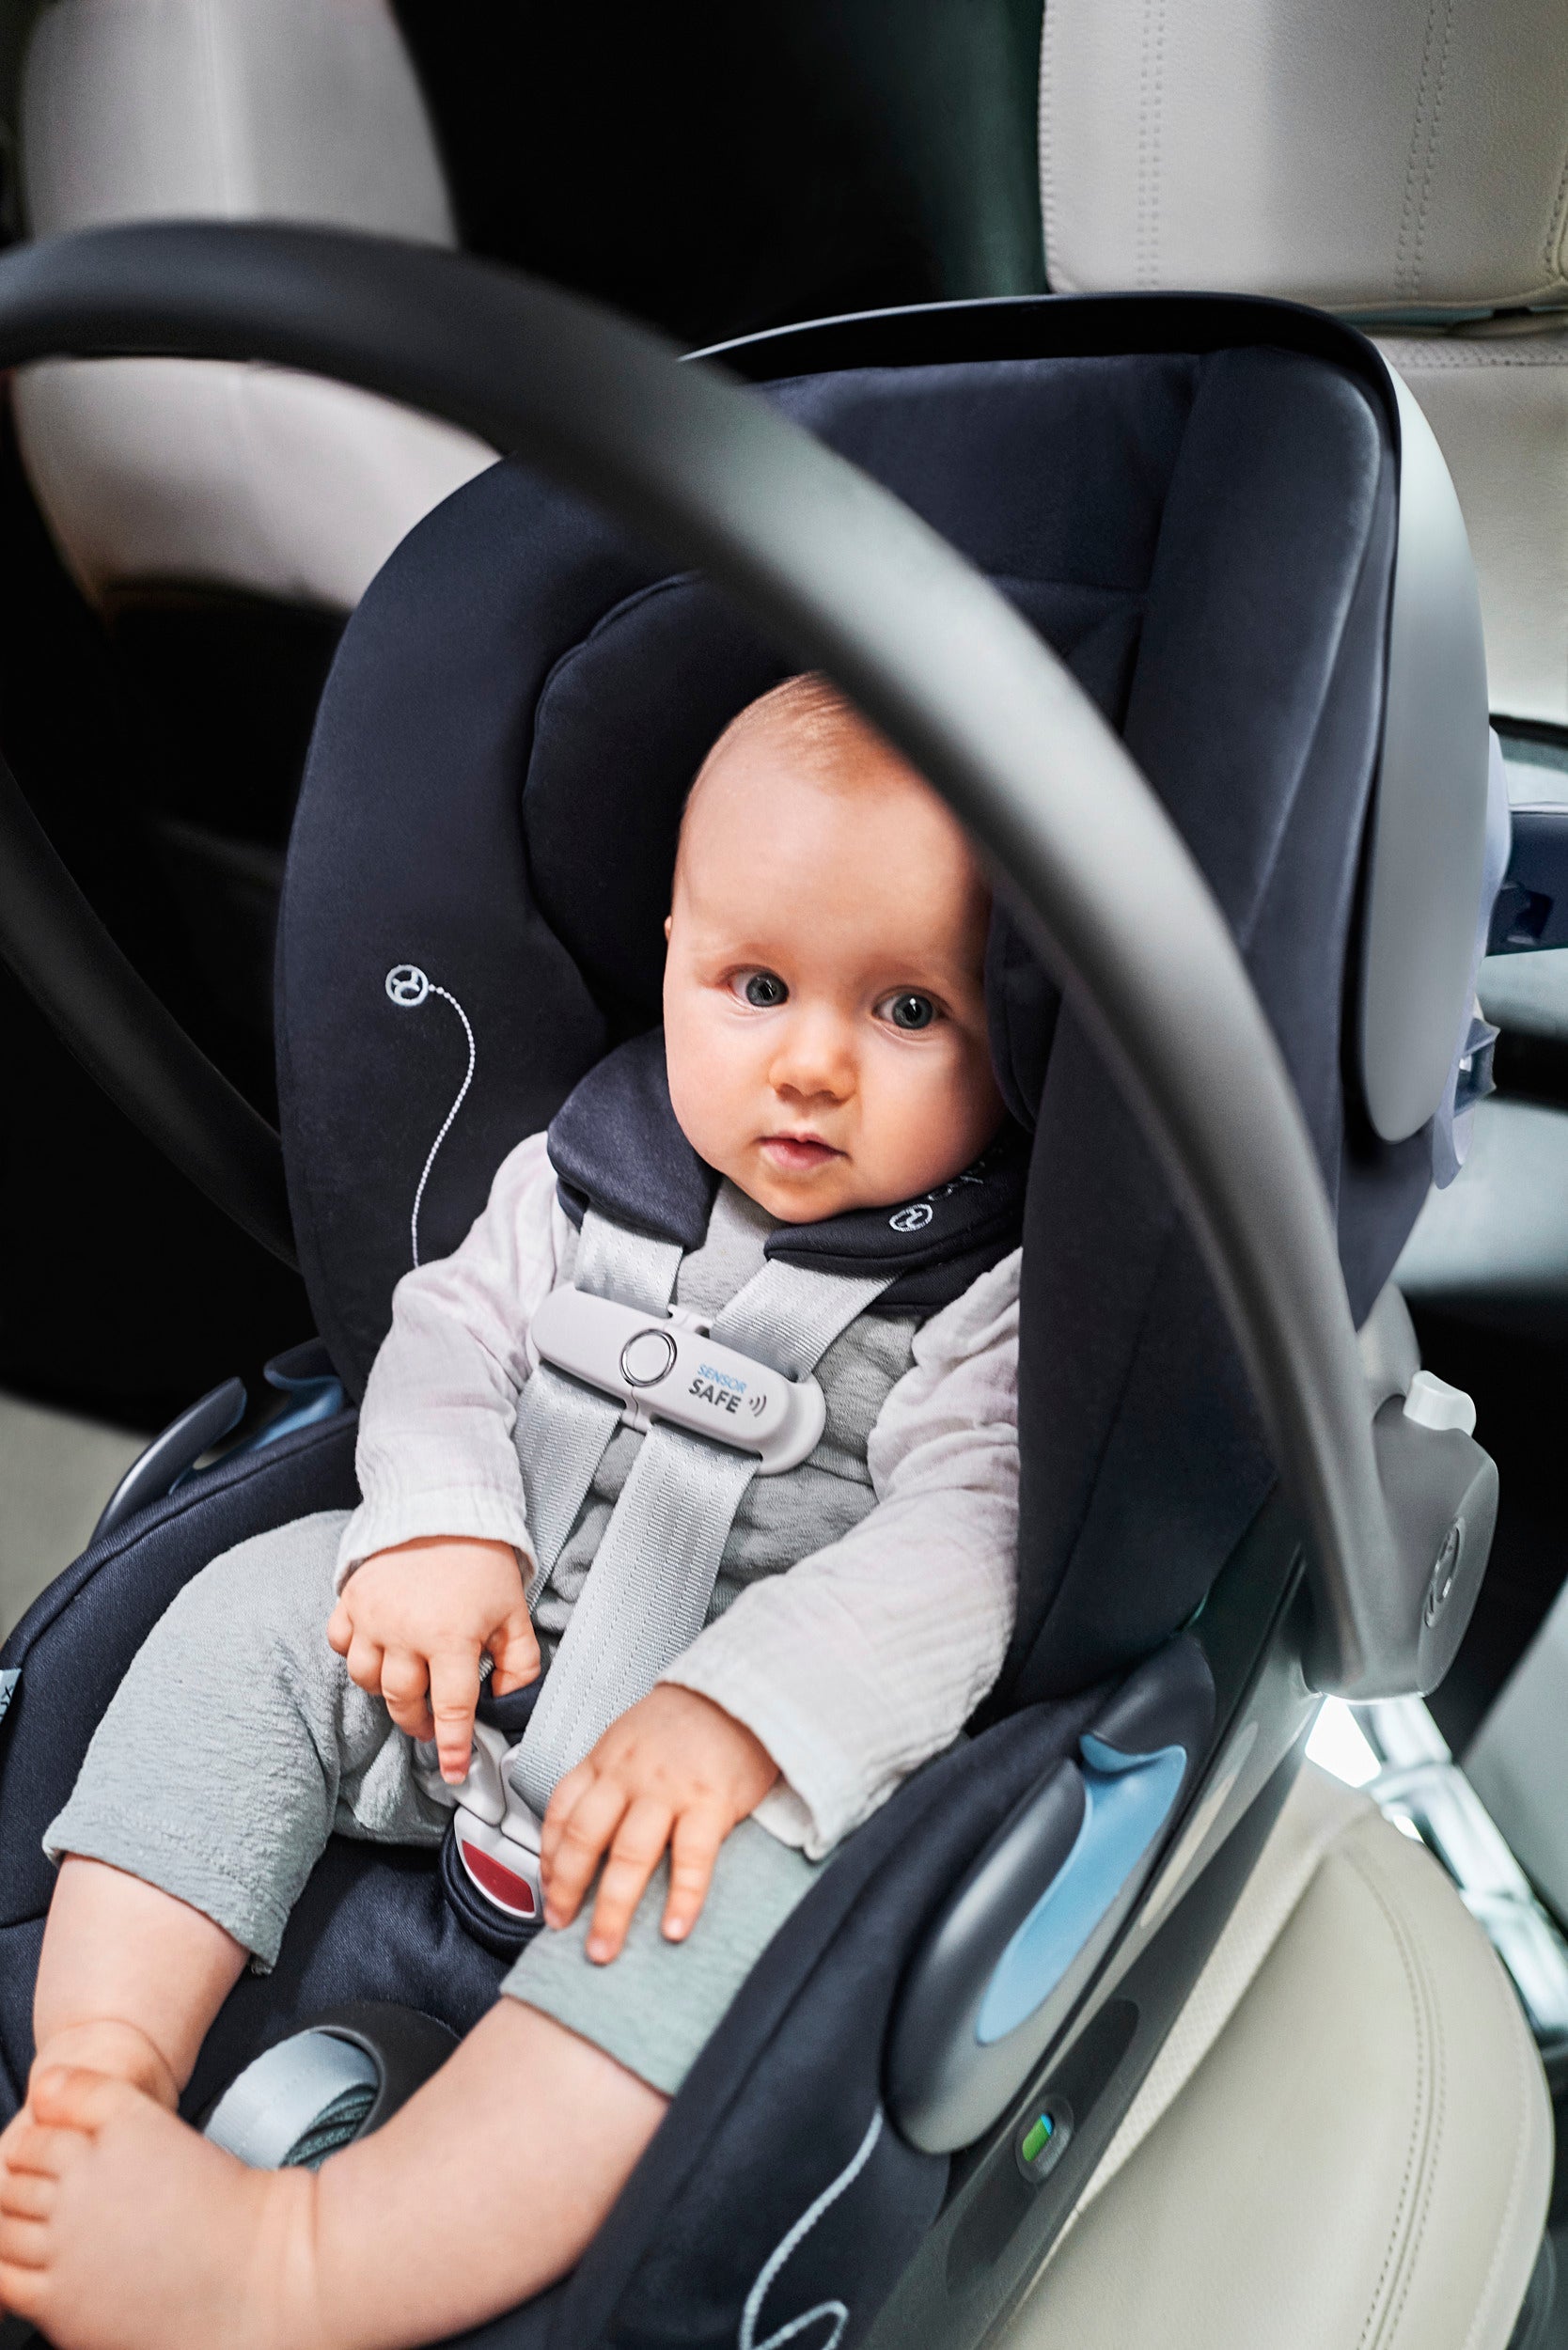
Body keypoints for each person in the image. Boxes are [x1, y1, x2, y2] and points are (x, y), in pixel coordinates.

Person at [0, 673, 1024, 2350]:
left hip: (723, 1779)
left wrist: (749, 1717)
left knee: (733, 1947)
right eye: (758, 987)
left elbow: (965, 1542)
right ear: (674, 954)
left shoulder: (990, 1301)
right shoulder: (579, 1172)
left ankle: (302, 2266)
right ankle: (100, 2078)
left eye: (909, 1011)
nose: (812, 1066)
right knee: (257, 1616)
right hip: (475, 1650)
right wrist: (440, 1523)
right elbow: (448, 1340)